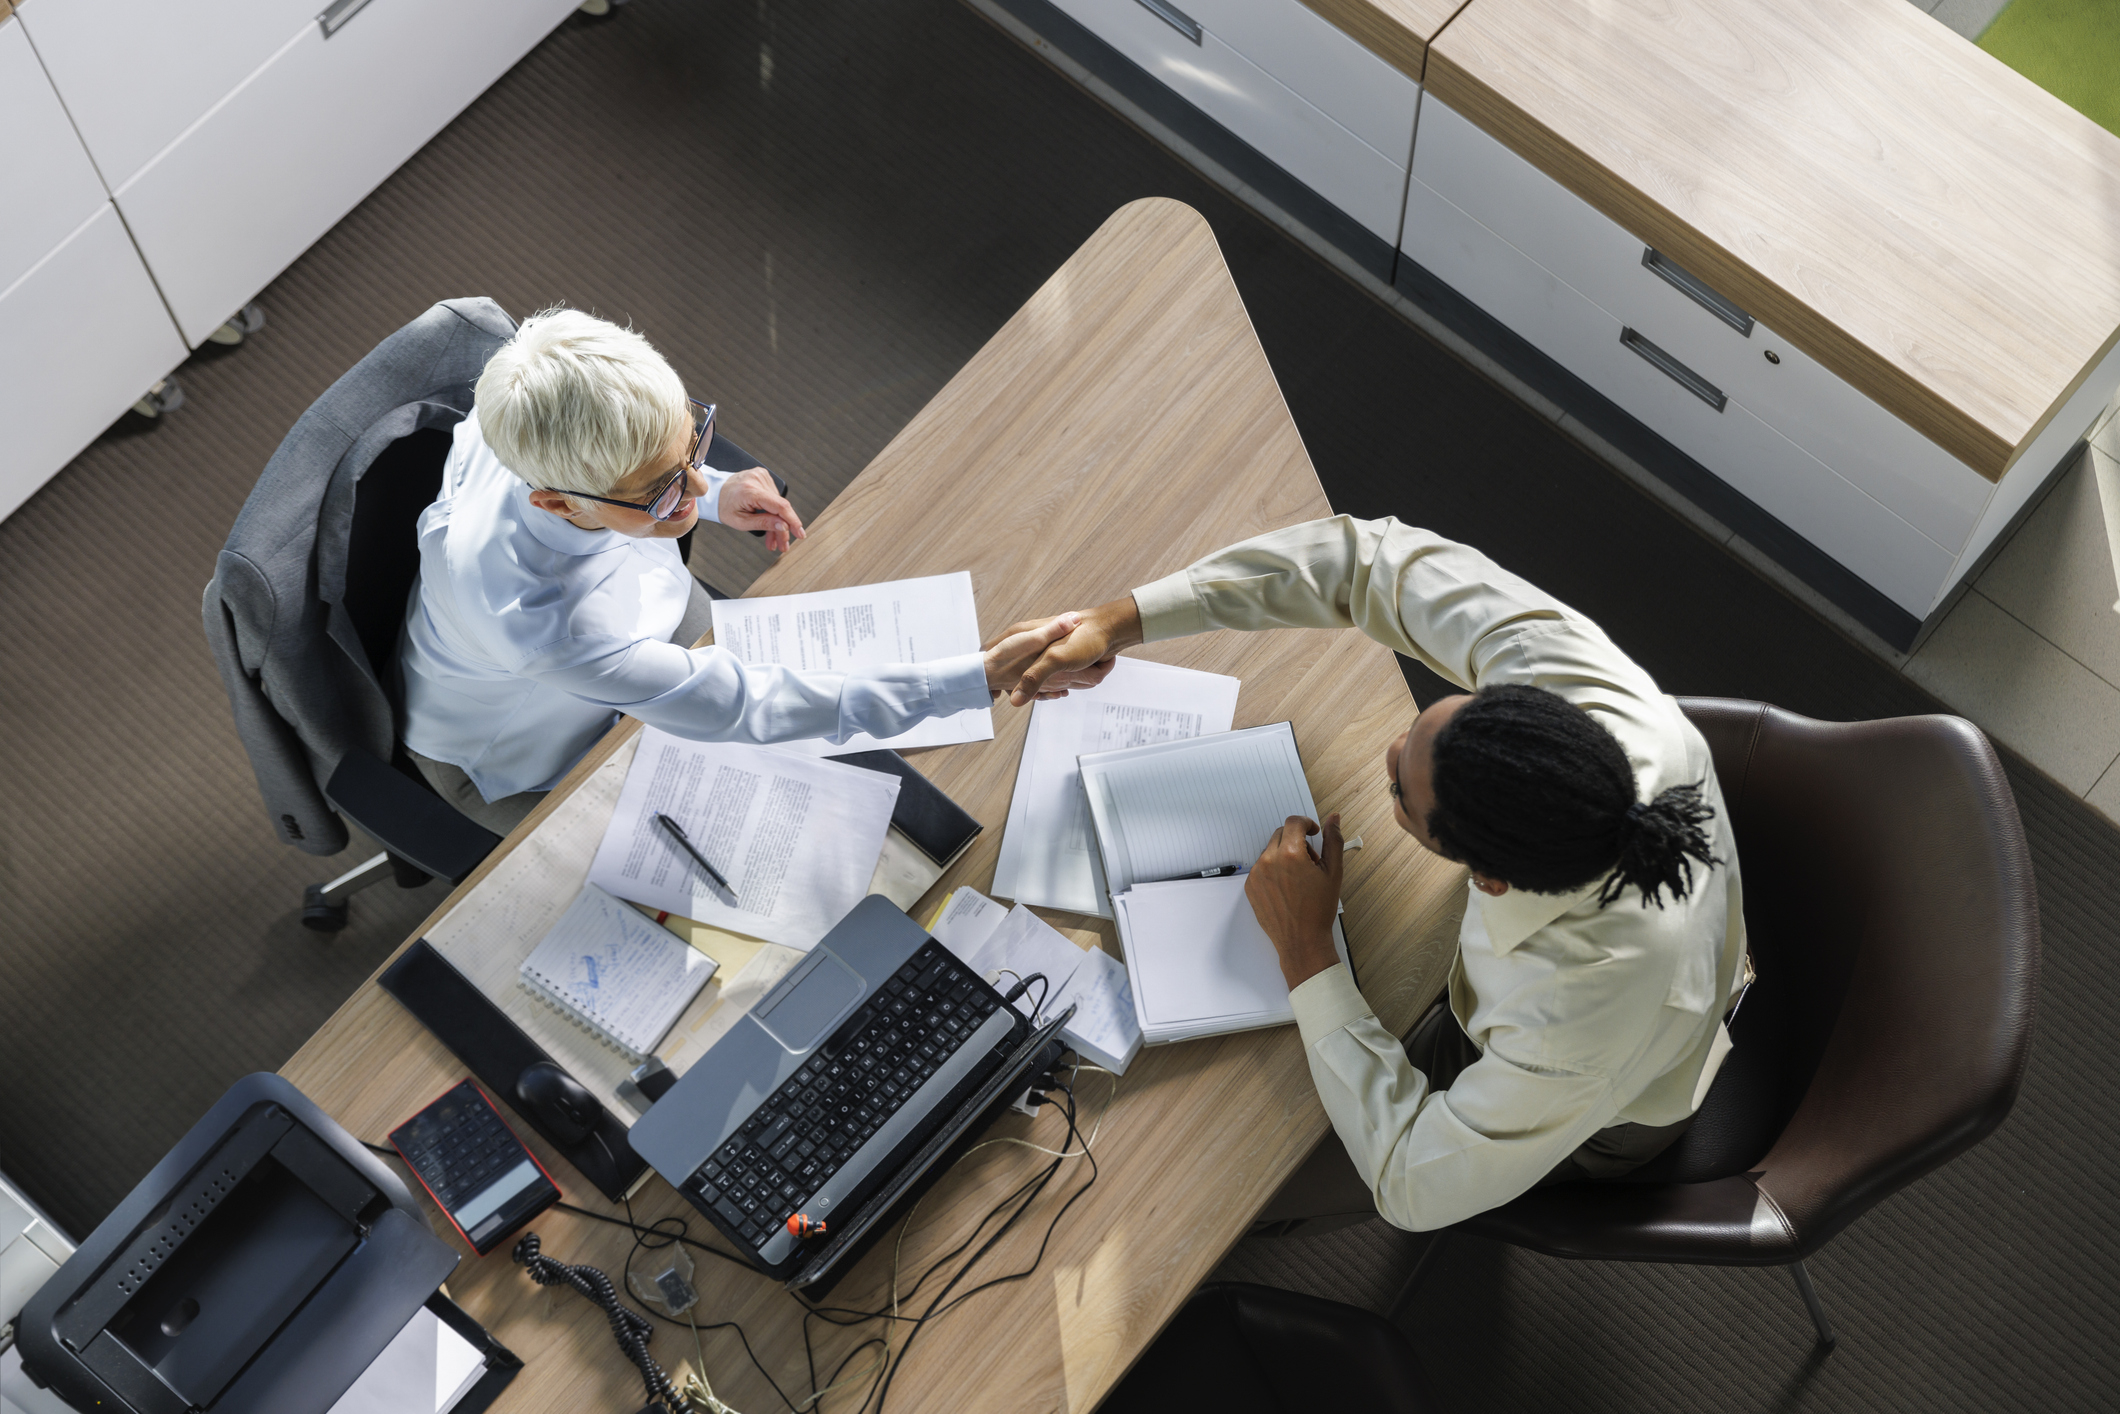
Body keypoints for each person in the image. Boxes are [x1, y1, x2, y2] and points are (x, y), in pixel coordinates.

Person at [1003, 515, 1749, 1232]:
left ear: (1489, 879)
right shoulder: (1578, 687)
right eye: (1434, 720)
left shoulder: (1571, 1019)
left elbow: (1410, 1184)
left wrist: (1306, 949)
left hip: (1601, 1106)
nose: (1391, 749)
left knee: (1253, 1181)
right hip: (1553, 989)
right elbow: (1368, 562)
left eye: (1399, 791)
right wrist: (1117, 620)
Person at [398, 308, 1097, 834]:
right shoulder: (546, 627)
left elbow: (647, 485)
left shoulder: (540, 386)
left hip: (634, 616)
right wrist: (979, 676)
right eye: (664, 490)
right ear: (553, 499)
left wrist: (715, 486)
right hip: (525, 750)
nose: (696, 492)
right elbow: (748, 705)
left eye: (691, 441)